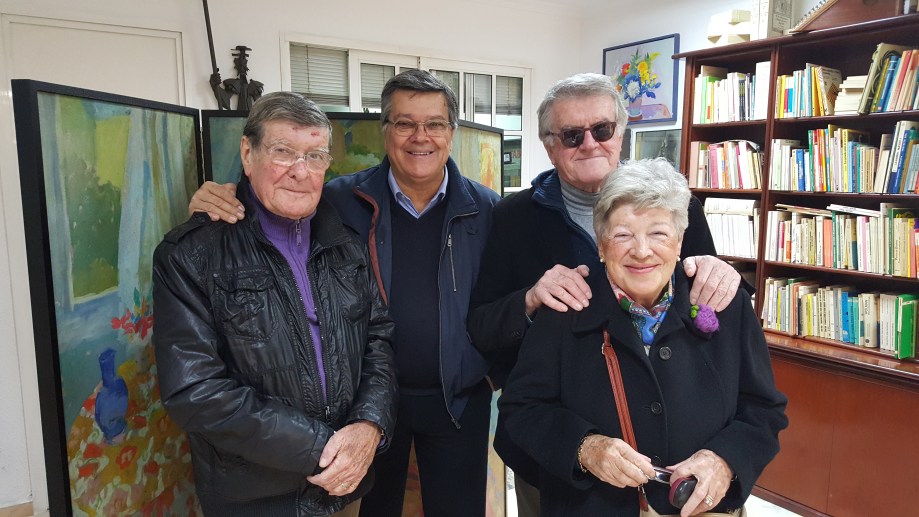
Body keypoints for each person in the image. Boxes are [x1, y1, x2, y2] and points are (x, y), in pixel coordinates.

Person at [187, 70, 501, 517]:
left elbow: (505, 300)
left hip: (457, 402)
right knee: (372, 508)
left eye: (434, 123)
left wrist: (490, 373)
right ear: (385, 130)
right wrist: (217, 198)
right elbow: (269, 211)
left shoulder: (486, 208)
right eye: (405, 123)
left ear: (451, 132)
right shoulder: (336, 199)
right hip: (364, 403)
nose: (420, 137)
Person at [467, 73, 745, 517]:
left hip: (675, 450)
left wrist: (721, 273)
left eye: (603, 129)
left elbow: (704, 298)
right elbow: (482, 326)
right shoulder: (513, 217)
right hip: (556, 448)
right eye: (572, 134)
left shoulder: (677, 205)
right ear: (549, 144)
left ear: (621, 134)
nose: (590, 144)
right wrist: (531, 298)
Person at [152, 91, 397, 517]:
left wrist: (369, 426)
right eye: (283, 152)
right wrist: (324, 448)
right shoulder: (191, 255)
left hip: (344, 488)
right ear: (248, 153)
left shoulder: (346, 246)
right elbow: (196, 391)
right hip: (255, 497)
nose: (301, 172)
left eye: (316, 156)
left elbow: (378, 342)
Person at [497, 158, 788, 516]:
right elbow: (521, 409)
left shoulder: (725, 303)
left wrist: (724, 461)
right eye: (622, 235)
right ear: (601, 246)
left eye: (658, 233)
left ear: (680, 240)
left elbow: (764, 409)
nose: (641, 250)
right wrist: (585, 448)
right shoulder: (566, 306)